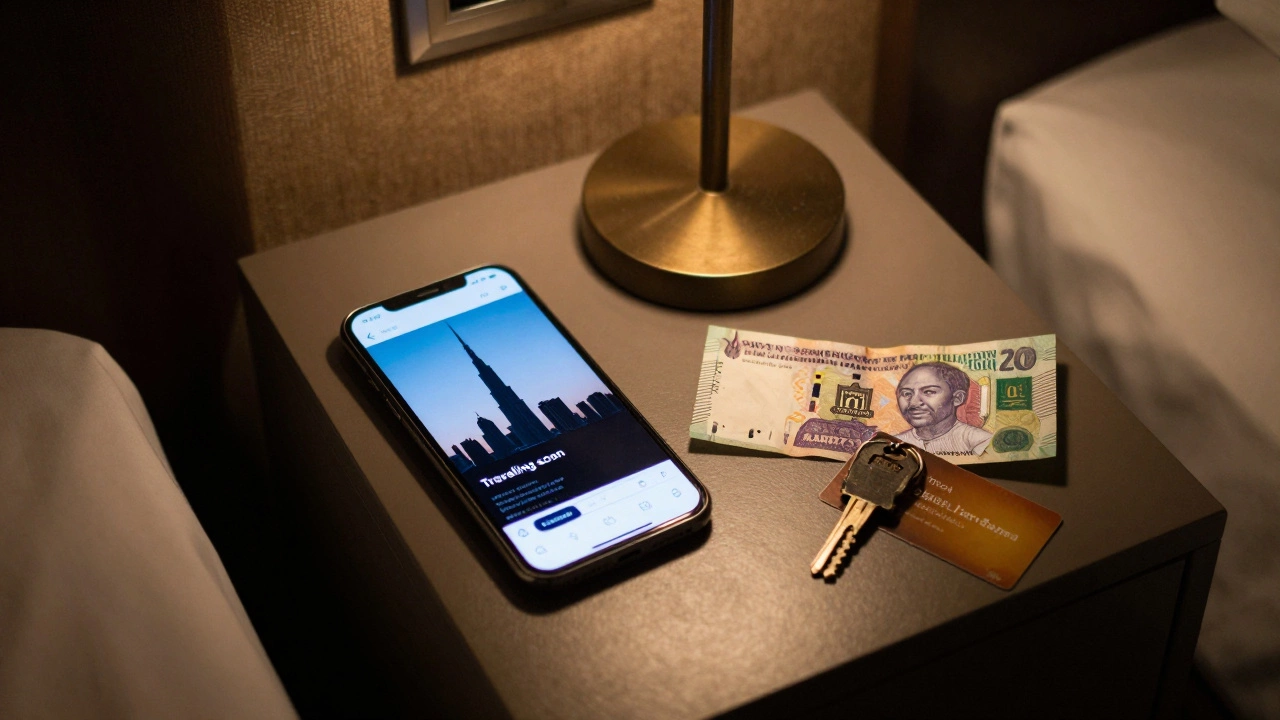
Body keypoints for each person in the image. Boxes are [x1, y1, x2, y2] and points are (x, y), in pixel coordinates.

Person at [894, 362, 992, 455]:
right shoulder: (892, 443)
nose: (913, 403)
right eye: (906, 393)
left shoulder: (981, 442)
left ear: (957, 398)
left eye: (929, 392)